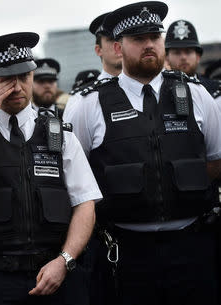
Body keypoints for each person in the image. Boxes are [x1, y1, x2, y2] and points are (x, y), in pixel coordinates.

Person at [69, 2, 221, 304]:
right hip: (125, 251)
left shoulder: (195, 93)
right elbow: (76, 177)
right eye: (138, 39)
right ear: (117, 47)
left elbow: (215, 161)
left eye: (155, 36)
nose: (149, 44)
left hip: (191, 246)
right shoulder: (89, 104)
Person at [0, 32, 102, 305]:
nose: (17, 86)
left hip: (56, 272)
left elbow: (85, 202)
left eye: (24, 76)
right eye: (7, 78)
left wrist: (64, 260)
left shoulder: (59, 133)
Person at [63, 11, 122, 123]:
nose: (118, 45)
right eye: (111, 40)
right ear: (98, 50)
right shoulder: (81, 99)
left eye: (121, 38)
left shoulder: (148, 87)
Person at [165, 19, 219, 95]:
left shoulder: (215, 90)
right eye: (177, 52)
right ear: (166, 58)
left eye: (188, 52)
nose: (183, 57)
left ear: (198, 57)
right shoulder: (157, 92)